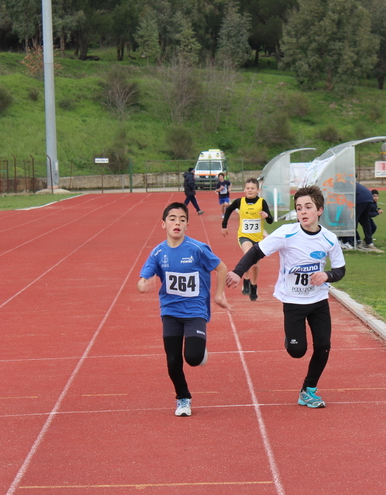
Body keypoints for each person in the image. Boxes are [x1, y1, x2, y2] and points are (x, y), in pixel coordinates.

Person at [225, 186, 346, 409]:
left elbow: (340, 270)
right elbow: (255, 252)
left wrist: (326, 274)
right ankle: (292, 339)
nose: (303, 211)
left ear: (319, 210)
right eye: (299, 208)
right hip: (293, 301)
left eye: (308, 207)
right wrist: (238, 271)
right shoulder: (286, 233)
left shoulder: (329, 239)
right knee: (297, 351)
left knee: (323, 345)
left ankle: (308, 390)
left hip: (318, 301)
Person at [137, 202, 229, 417]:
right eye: (172, 218)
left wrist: (217, 295)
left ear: (187, 224)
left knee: (193, 358)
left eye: (181, 219)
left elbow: (221, 267)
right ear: (163, 224)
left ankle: (199, 348)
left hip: (195, 310)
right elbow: (141, 281)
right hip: (170, 311)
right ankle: (183, 398)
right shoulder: (158, 252)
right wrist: (143, 286)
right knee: (172, 360)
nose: (176, 222)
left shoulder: (197, 249)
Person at [221, 177, 273, 301]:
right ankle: (246, 278)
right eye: (248, 188)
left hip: (258, 238)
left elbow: (270, 220)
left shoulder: (262, 202)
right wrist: (224, 226)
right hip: (244, 236)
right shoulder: (240, 201)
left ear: (258, 190)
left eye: (252, 188)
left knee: (255, 264)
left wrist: (266, 216)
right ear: (244, 189)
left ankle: (253, 285)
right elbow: (228, 210)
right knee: (249, 255)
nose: (250, 190)